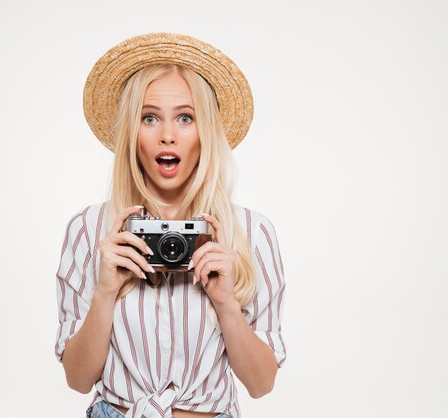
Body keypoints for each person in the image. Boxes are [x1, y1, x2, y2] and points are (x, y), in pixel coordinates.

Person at [54, 33, 287, 418]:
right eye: (149, 117)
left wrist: (226, 303)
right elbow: (78, 380)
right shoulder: (89, 229)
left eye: (185, 117)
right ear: (132, 131)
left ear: (205, 131)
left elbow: (261, 385)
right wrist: (105, 292)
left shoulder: (251, 233)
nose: (167, 135)